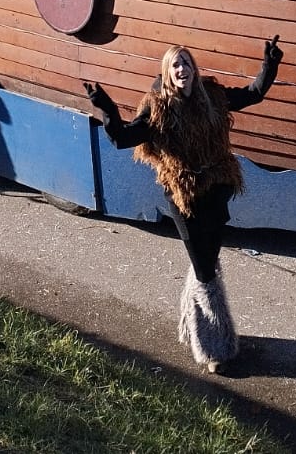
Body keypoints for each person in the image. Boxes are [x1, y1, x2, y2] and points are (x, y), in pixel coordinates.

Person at [83, 38, 283, 374]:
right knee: (205, 269)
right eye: (175, 65)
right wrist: (106, 108)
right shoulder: (158, 108)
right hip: (183, 195)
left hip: (217, 187)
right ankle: (215, 347)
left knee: (208, 256)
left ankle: (192, 326)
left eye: (186, 63)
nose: (181, 70)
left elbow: (252, 94)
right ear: (167, 72)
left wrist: (270, 64)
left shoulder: (213, 97)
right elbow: (122, 138)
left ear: (193, 69)